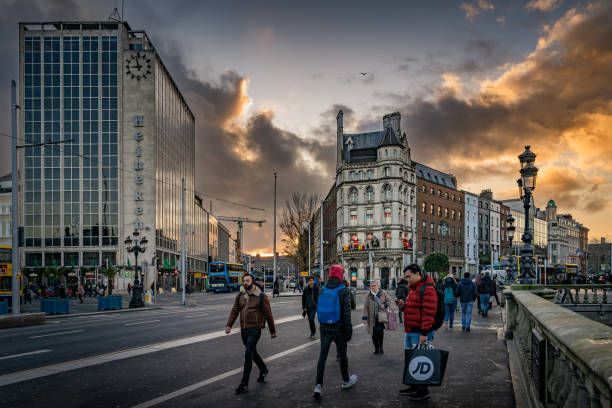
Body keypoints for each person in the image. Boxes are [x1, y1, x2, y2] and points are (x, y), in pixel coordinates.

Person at [225, 273, 276, 394]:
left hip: (255, 328)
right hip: (244, 329)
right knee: (253, 353)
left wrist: (272, 331)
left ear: (252, 282)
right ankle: (263, 369)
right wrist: (229, 325)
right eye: (244, 281)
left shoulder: (262, 296)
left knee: (248, 354)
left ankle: (244, 384)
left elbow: (269, 314)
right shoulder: (240, 296)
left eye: (248, 281)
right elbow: (234, 311)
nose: (245, 283)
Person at [313, 264, 357, 398]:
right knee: (342, 355)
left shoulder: (322, 289)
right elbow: (347, 313)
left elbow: (318, 305)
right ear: (340, 274)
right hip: (339, 328)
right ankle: (345, 380)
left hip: (324, 327)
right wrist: (349, 330)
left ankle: (318, 385)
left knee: (322, 356)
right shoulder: (344, 290)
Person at [397, 264, 437, 401]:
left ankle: (422, 390)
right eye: (406, 277)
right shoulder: (413, 288)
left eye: (409, 276)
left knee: (420, 360)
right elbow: (415, 309)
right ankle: (413, 386)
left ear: (418, 273)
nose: (407, 279)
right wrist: (403, 307)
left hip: (420, 332)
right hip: (410, 331)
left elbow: (429, 312)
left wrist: (424, 333)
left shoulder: (428, 288)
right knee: (411, 360)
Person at [362, 280, 392, 354]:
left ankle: (381, 347)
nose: (373, 287)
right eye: (372, 286)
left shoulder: (383, 293)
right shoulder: (368, 295)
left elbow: (389, 301)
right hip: (371, 318)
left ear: (377, 286)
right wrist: (364, 317)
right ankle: (376, 348)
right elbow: (365, 307)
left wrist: (384, 305)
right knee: (373, 334)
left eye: (375, 285)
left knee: (380, 332)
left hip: (381, 317)